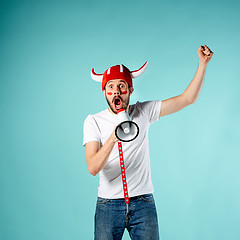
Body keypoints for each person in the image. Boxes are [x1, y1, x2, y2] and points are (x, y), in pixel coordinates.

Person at [83, 45, 213, 240]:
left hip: (143, 204)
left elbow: (187, 99)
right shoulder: (93, 121)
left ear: (130, 89)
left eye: (121, 86)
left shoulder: (144, 111)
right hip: (108, 206)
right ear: (104, 92)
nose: (116, 91)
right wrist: (112, 138)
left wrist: (202, 65)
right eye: (110, 87)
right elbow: (93, 167)